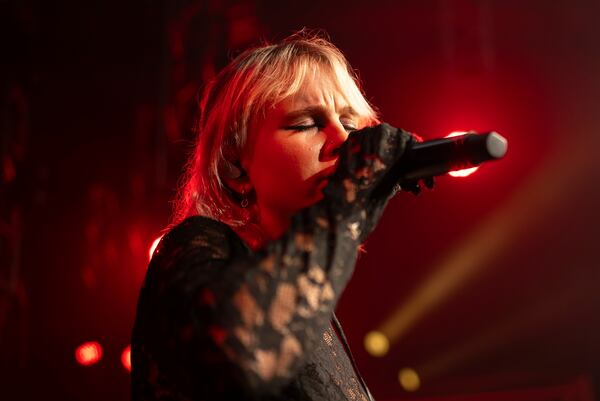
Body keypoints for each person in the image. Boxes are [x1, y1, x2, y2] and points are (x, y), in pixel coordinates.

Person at [131, 32, 428, 401]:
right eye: (306, 124)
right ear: (235, 165)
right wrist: (349, 201)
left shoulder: (317, 311)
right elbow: (240, 360)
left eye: (351, 124)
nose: (342, 139)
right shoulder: (198, 245)